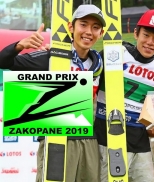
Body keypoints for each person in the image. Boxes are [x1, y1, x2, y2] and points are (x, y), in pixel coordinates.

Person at [0, 4, 106, 182]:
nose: (89, 31)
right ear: (71, 27)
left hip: (89, 141)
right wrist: (19, 45)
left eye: (95, 27)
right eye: (84, 24)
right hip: (57, 139)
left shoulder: (99, 65)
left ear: (101, 33)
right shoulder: (51, 57)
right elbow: (3, 62)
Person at [95, 9, 154, 182]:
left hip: (140, 143)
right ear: (136, 33)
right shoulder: (114, 51)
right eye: (146, 35)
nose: (150, 42)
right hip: (107, 138)